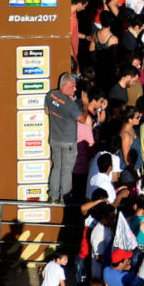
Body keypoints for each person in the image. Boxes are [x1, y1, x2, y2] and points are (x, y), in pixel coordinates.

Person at [45, 74, 83, 203]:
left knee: (56, 167)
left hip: (55, 139)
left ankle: (53, 196)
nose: (74, 90)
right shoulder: (70, 105)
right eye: (73, 87)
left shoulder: (50, 95)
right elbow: (82, 119)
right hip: (68, 142)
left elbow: (47, 111)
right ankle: (64, 198)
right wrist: (86, 103)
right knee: (67, 170)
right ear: (65, 85)